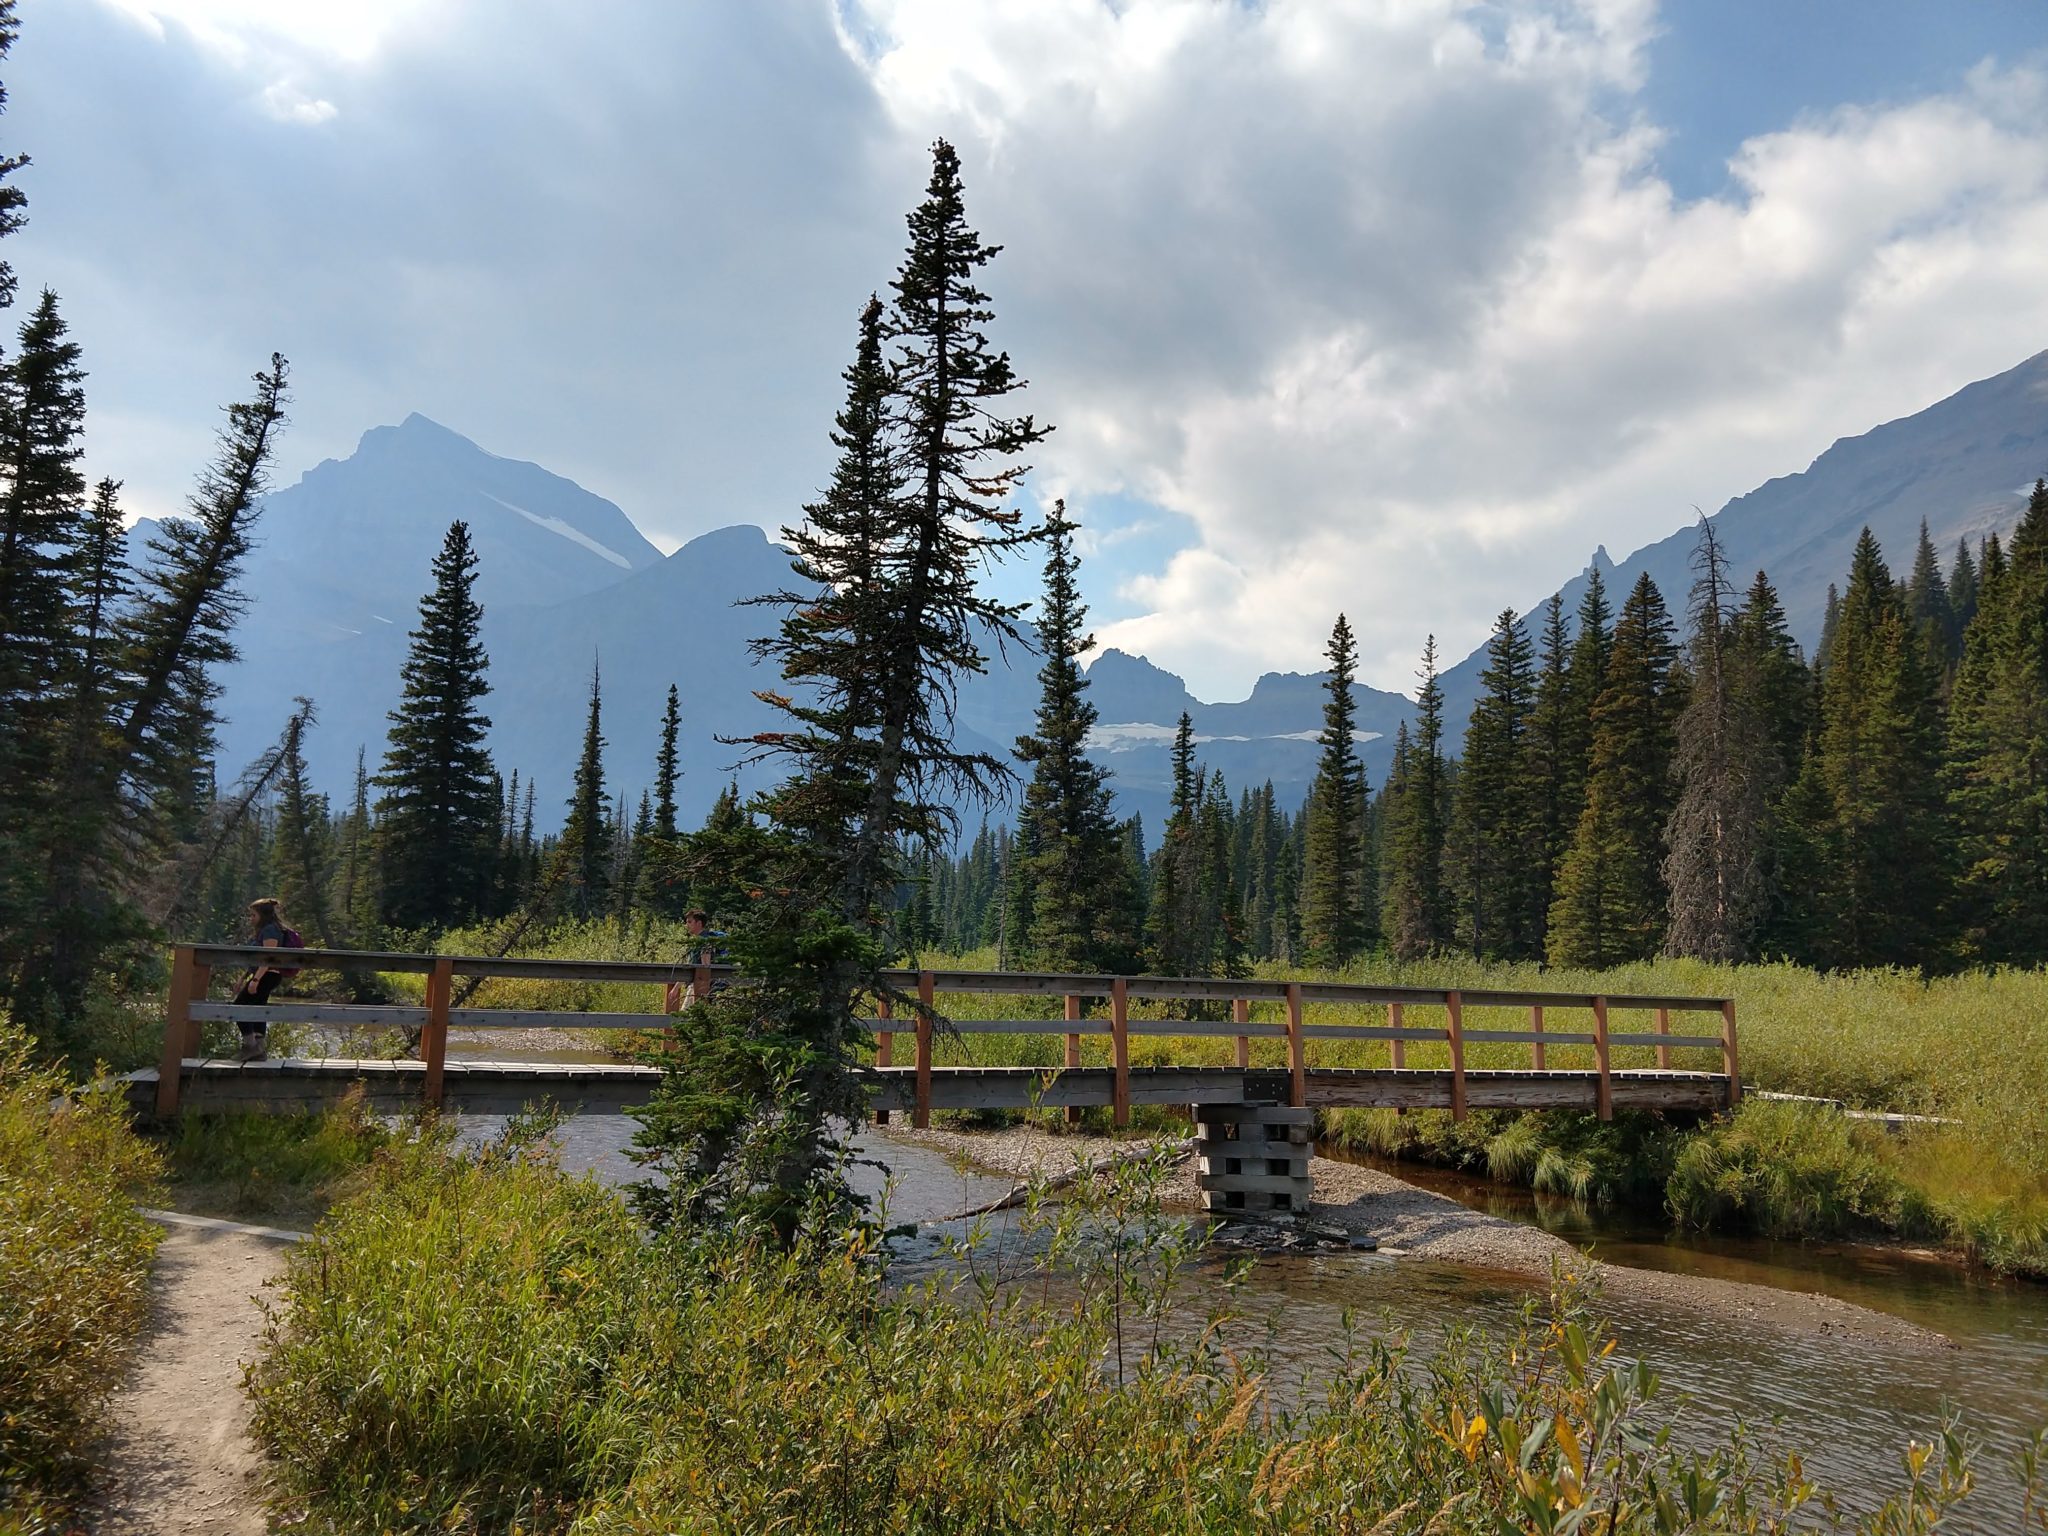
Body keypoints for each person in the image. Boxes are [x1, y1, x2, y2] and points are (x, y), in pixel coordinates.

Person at [232, 898, 292, 1061]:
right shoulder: (265, 930)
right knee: (257, 1009)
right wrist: (244, 978)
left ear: (263, 915)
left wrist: (256, 980)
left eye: (253, 915)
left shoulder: (271, 931)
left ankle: (251, 1046)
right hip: (262, 975)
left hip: (267, 975)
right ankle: (259, 1050)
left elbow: (268, 958)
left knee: (238, 1007)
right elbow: (256, 960)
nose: (251, 918)